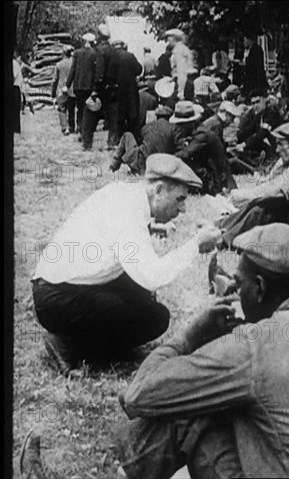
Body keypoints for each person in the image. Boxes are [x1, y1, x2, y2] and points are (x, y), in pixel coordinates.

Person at [117, 224, 289, 478]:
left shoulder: (256, 343)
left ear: (260, 288)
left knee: (187, 409)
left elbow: (138, 396)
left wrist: (189, 338)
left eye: (238, 284)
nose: (235, 292)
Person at [32, 154, 221, 374]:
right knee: (154, 318)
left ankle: (76, 336)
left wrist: (152, 228)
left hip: (54, 286)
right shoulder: (130, 214)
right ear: (158, 190)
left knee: (143, 301)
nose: (183, 209)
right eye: (180, 199)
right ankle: (69, 344)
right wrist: (195, 245)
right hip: (57, 298)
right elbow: (153, 277)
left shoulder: (126, 193)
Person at [174, 101, 237, 194]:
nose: (178, 127)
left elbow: (186, 154)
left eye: (181, 125)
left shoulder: (202, 134)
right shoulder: (202, 129)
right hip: (218, 175)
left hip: (216, 181)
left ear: (190, 123)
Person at [110, 105, 186, 174]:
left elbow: (140, 141)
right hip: (159, 165)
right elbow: (180, 149)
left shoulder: (147, 127)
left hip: (141, 163)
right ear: (170, 117)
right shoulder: (174, 129)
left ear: (156, 116)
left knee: (127, 135)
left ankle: (113, 167)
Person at [81, 24, 120, 151]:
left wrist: (95, 89)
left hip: (102, 88)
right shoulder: (115, 51)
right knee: (113, 116)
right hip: (113, 88)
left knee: (90, 114)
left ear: (99, 36)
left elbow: (99, 71)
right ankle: (112, 142)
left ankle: (87, 143)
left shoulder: (99, 50)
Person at [235, 91, 283, 165]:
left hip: (277, 144)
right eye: (253, 103)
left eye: (258, 102)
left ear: (264, 100)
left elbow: (263, 133)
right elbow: (250, 130)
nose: (255, 105)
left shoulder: (271, 112)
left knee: (253, 143)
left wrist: (244, 144)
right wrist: (236, 139)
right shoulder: (259, 115)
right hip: (267, 142)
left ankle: (269, 160)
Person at [110, 39, 143, 143]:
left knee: (120, 116)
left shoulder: (113, 58)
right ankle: (135, 138)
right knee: (133, 115)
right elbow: (139, 69)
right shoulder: (130, 56)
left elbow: (109, 74)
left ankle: (121, 139)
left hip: (118, 90)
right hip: (131, 89)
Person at [66, 33, 96, 135]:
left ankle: (79, 126)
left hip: (78, 85)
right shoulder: (94, 53)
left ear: (83, 41)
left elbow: (73, 69)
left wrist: (68, 84)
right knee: (88, 107)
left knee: (79, 107)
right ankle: (86, 126)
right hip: (89, 86)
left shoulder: (77, 53)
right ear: (91, 42)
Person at [165, 28, 195, 102]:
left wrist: (181, 92)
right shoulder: (183, 49)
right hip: (185, 81)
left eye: (169, 38)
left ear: (174, 38)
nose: (168, 41)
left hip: (182, 83)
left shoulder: (178, 50)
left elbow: (181, 71)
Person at [52, 45, 76, 135]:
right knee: (71, 110)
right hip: (72, 89)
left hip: (61, 90)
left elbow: (55, 80)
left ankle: (65, 128)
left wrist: (53, 94)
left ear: (63, 53)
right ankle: (72, 127)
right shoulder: (74, 63)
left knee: (62, 109)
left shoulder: (59, 64)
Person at [241, 33, 268, 97]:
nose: (244, 42)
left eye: (245, 40)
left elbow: (254, 67)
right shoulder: (252, 49)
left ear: (249, 40)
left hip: (255, 82)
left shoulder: (255, 50)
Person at [13, 53, 24, 134]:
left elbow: (12, 76)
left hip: (14, 87)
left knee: (15, 110)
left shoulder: (14, 63)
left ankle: (15, 129)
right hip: (14, 88)